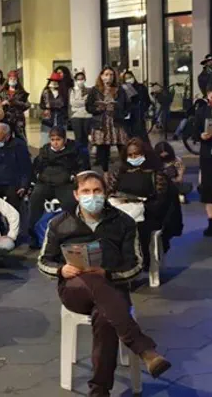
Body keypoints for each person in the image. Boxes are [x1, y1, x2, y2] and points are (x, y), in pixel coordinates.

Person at [38, 171, 171, 396]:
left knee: (104, 315)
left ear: (106, 193)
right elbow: (43, 261)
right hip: (74, 290)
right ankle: (143, 348)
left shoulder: (124, 222)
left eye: (97, 191)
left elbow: (137, 264)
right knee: (90, 279)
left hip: (113, 287)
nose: (92, 196)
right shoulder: (59, 223)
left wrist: (107, 273)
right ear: (76, 195)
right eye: (86, 191)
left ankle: (99, 391)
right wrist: (61, 269)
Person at [107, 138, 171, 268]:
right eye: (130, 155)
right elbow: (109, 191)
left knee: (139, 231)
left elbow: (161, 200)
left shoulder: (156, 173)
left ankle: (140, 260)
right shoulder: (120, 172)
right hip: (121, 210)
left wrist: (142, 205)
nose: (133, 157)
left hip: (147, 214)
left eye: (137, 154)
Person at [28, 126, 86, 234]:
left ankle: (72, 231)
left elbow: (81, 167)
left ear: (64, 139)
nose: (55, 143)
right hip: (45, 183)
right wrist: (38, 176)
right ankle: (34, 233)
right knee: (34, 200)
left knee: (70, 203)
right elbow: (36, 167)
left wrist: (72, 176)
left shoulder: (74, 151)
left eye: (58, 140)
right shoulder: (44, 151)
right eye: (52, 140)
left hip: (65, 184)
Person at [86, 67, 128, 172]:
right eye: (106, 74)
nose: (109, 77)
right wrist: (98, 108)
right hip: (101, 122)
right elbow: (88, 106)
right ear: (101, 76)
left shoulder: (120, 89)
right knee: (103, 149)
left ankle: (127, 169)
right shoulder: (94, 90)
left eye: (111, 75)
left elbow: (127, 105)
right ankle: (104, 172)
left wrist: (119, 110)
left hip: (116, 121)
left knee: (123, 146)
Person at [196, 88, 212, 235]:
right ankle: (211, 222)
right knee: (208, 188)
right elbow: (194, 132)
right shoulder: (202, 111)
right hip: (208, 154)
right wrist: (201, 135)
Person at [0, 70, 30, 139]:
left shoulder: (22, 93)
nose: (12, 80)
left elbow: (27, 105)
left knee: (21, 138)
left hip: (19, 119)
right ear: (8, 80)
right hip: (6, 118)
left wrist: (16, 102)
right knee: (6, 138)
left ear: (17, 80)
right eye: (11, 79)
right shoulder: (1, 93)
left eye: (14, 79)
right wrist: (2, 104)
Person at [39, 72, 69, 146]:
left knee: (60, 139)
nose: (54, 83)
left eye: (56, 81)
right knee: (45, 139)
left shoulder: (63, 92)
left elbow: (64, 104)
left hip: (61, 118)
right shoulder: (46, 92)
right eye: (52, 81)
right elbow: (42, 104)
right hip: (48, 120)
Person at [121, 71, 150, 141]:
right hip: (128, 118)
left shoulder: (141, 87)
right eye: (126, 78)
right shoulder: (124, 88)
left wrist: (143, 109)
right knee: (130, 139)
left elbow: (147, 101)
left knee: (142, 138)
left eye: (130, 77)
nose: (129, 79)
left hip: (139, 117)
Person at [69, 71, 93, 155]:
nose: (80, 81)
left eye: (82, 79)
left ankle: (85, 154)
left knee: (86, 138)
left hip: (88, 116)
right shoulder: (72, 90)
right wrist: (83, 101)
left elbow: (89, 102)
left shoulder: (89, 90)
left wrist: (79, 102)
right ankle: (79, 154)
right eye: (78, 79)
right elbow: (72, 103)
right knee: (78, 137)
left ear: (85, 79)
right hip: (76, 116)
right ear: (75, 80)